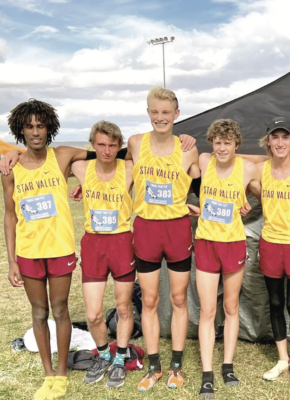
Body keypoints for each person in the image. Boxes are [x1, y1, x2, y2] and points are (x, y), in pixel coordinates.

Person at [1, 99, 99, 399]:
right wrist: (12, 261)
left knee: (59, 309)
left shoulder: (63, 155)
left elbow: (107, 152)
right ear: (20, 130)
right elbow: (10, 216)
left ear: (49, 128)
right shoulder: (11, 168)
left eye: (40, 126)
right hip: (29, 252)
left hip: (59, 249)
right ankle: (48, 375)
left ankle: (62, 374)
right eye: (29, 126)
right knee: (39, 311)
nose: (35, 132)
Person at [126, 87, 200, 392]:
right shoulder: (135, 142)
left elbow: (204, 177)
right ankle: (154, 367)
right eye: (154, 111)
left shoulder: (188, 149)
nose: (160, 117)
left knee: (179, 299)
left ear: (176, 114)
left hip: (177, 229)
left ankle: (176, 366)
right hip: (146, 229)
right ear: (148, 113)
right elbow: (106, 161)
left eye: (166, 112)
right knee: (150, 300)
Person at [185, 119, 261, 398]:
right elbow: (181, 160)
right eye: (218, 142)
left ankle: (227, 365)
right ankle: (207, 373)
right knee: (207, 310)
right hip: (207, 242)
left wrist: (248, 201)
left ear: (236, 144)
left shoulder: (248, 168)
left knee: (231, 306)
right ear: (212, 143)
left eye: (227, 143)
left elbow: (265, 194)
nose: (222, 148)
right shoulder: (205, 161)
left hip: (233, 243)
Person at [241, 117, 290, 384]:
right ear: (268, 142)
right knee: (275, 302)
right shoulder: (259, 169)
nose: (280, 142)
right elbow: (232, 161)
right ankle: (282, 359)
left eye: (285, 137)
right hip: (271, 243)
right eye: (275, 137)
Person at [69, 121, 135, 388]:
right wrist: (13, 154)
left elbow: (154, 154)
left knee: (123, 307)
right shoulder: (81, 168)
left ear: (119, 146)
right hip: (94, 244)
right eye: (101, 145)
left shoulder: (129, 168)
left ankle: (120, 358)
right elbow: (52, 155)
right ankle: (104, 354)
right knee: (94, 314)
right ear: (92, 145)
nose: (107, 151)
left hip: (121, 242)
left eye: (112, 145)